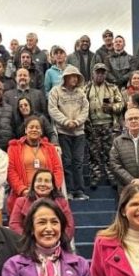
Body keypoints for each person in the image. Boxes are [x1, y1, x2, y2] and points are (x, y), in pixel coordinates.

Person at [48, 65, 89, 201]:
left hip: (79, 132)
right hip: (62, 132)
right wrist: (66, 121)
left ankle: (80, 191)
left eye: (77, 76)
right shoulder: (56, 91)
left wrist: (77, 122)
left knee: (78, 161)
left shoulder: (81, 93)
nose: (75, 79)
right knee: (66, 161)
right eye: (72, 76)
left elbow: (85, 110)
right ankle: (70, 191)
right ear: (65, 77)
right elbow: (52, 109)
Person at [7, 116, 65, 213]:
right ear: (26, 130)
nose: (34, 129)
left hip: (48, 195)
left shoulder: (50, 148)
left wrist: (52, 188)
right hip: (24, 195)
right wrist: (23, 190)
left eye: (37, 127)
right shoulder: (13, 148)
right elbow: (10, 171)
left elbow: (57, 169)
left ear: (41, 131)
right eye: (31, 127)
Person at [85, 62, 124, 188]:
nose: (100, 75)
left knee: (109, 153)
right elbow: (82, 106)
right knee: (93, 154)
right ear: (93, 73)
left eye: (103, 72)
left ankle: (111, 177)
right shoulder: (86, 89)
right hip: (92, 126)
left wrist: (112, 107)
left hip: (109, 125)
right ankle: (95, 177)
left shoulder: (112, 88)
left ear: (106, 74)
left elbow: (122, 103)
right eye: (98, 72)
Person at [8, 169, 73, 240]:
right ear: (33, 184)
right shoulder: (20, 202)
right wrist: (31, 240)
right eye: (39, 180)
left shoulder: (62, 203)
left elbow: (69, 226)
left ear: (53, 186)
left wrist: (56, 240)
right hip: (28, 245)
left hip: (57, 244)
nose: (42, 184)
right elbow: (14, 225)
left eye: (47, 181)